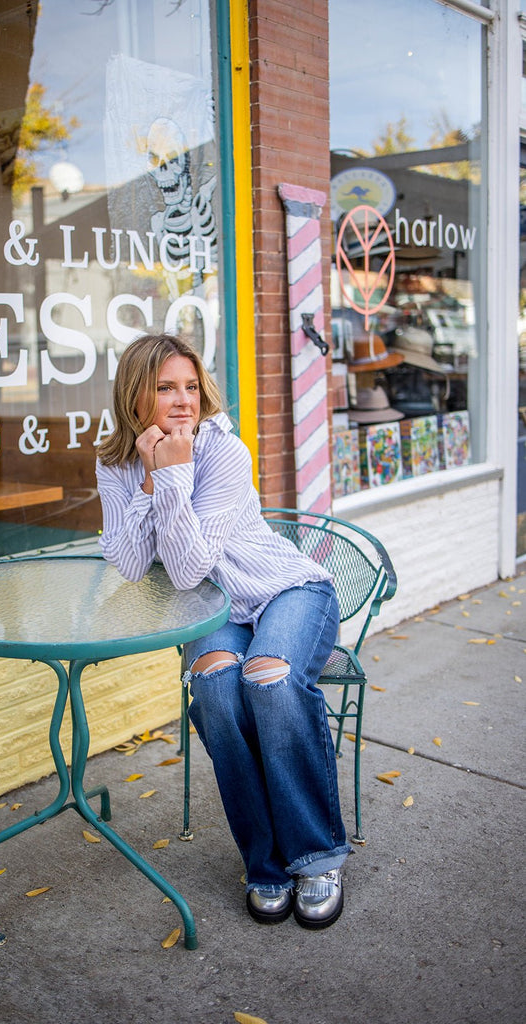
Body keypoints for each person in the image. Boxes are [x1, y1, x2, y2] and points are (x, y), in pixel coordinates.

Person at [95, 333, 350, 928]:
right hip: (215, 611)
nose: (183, 400)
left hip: (286, 591)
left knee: (270, 679)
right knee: (213, 688)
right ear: (135, 395)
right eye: (165, 388)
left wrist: (175, 474)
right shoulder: (114, 463)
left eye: (190, 385)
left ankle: (314, 854)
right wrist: (151, 482)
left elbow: (183, 567)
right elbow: (132, 563)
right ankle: (264, 861)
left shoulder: (224, 453)